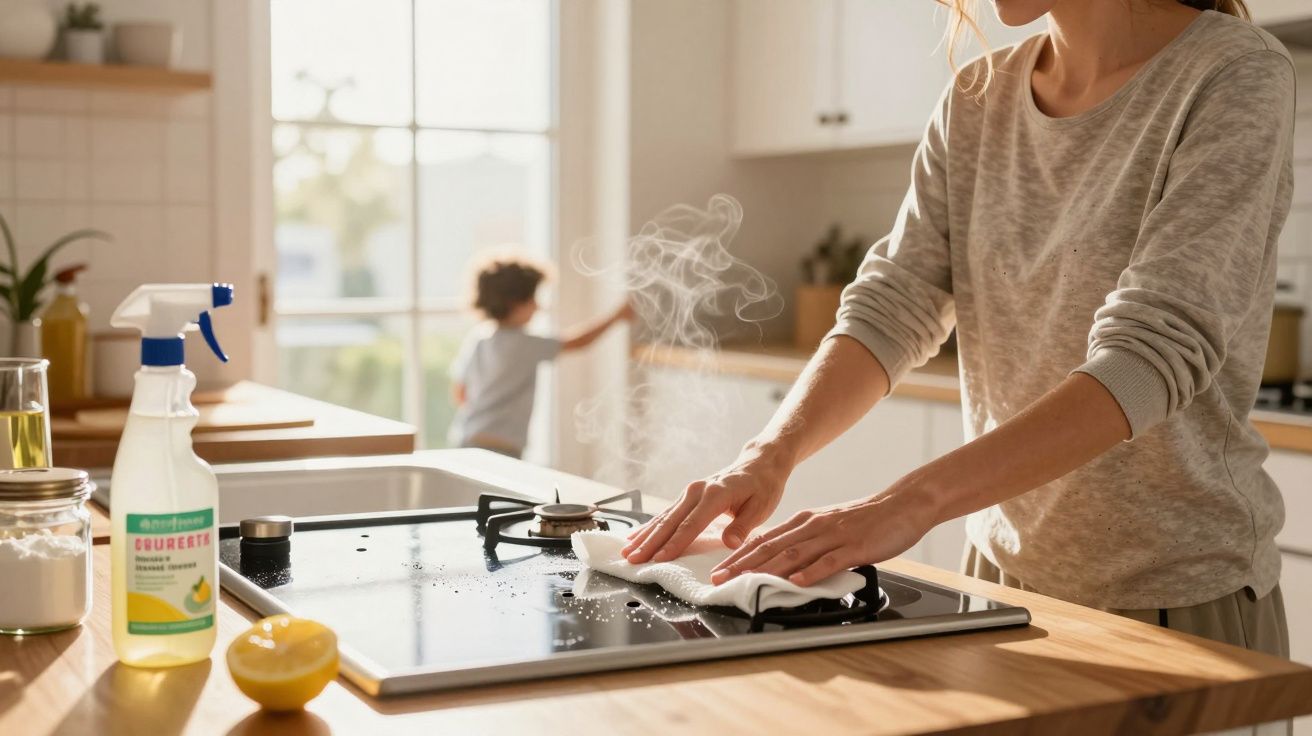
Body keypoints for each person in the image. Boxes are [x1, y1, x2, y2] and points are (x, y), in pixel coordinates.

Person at [625, 0, 1294, 663]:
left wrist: (908, 504)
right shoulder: (980, 94)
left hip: (1173, 596)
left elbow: (1149, 357)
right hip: (999, 575)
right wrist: (767, 454)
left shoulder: (1231, 70)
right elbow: (894, 305)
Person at [450, 254, 632, 459]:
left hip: (469, 437)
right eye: (532, 300)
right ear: (514, 303)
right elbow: (578, 342)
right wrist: (617, 316)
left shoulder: (479, 339)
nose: (538, 306)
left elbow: (460, 393)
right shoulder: (525, 344)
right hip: (503, 445)